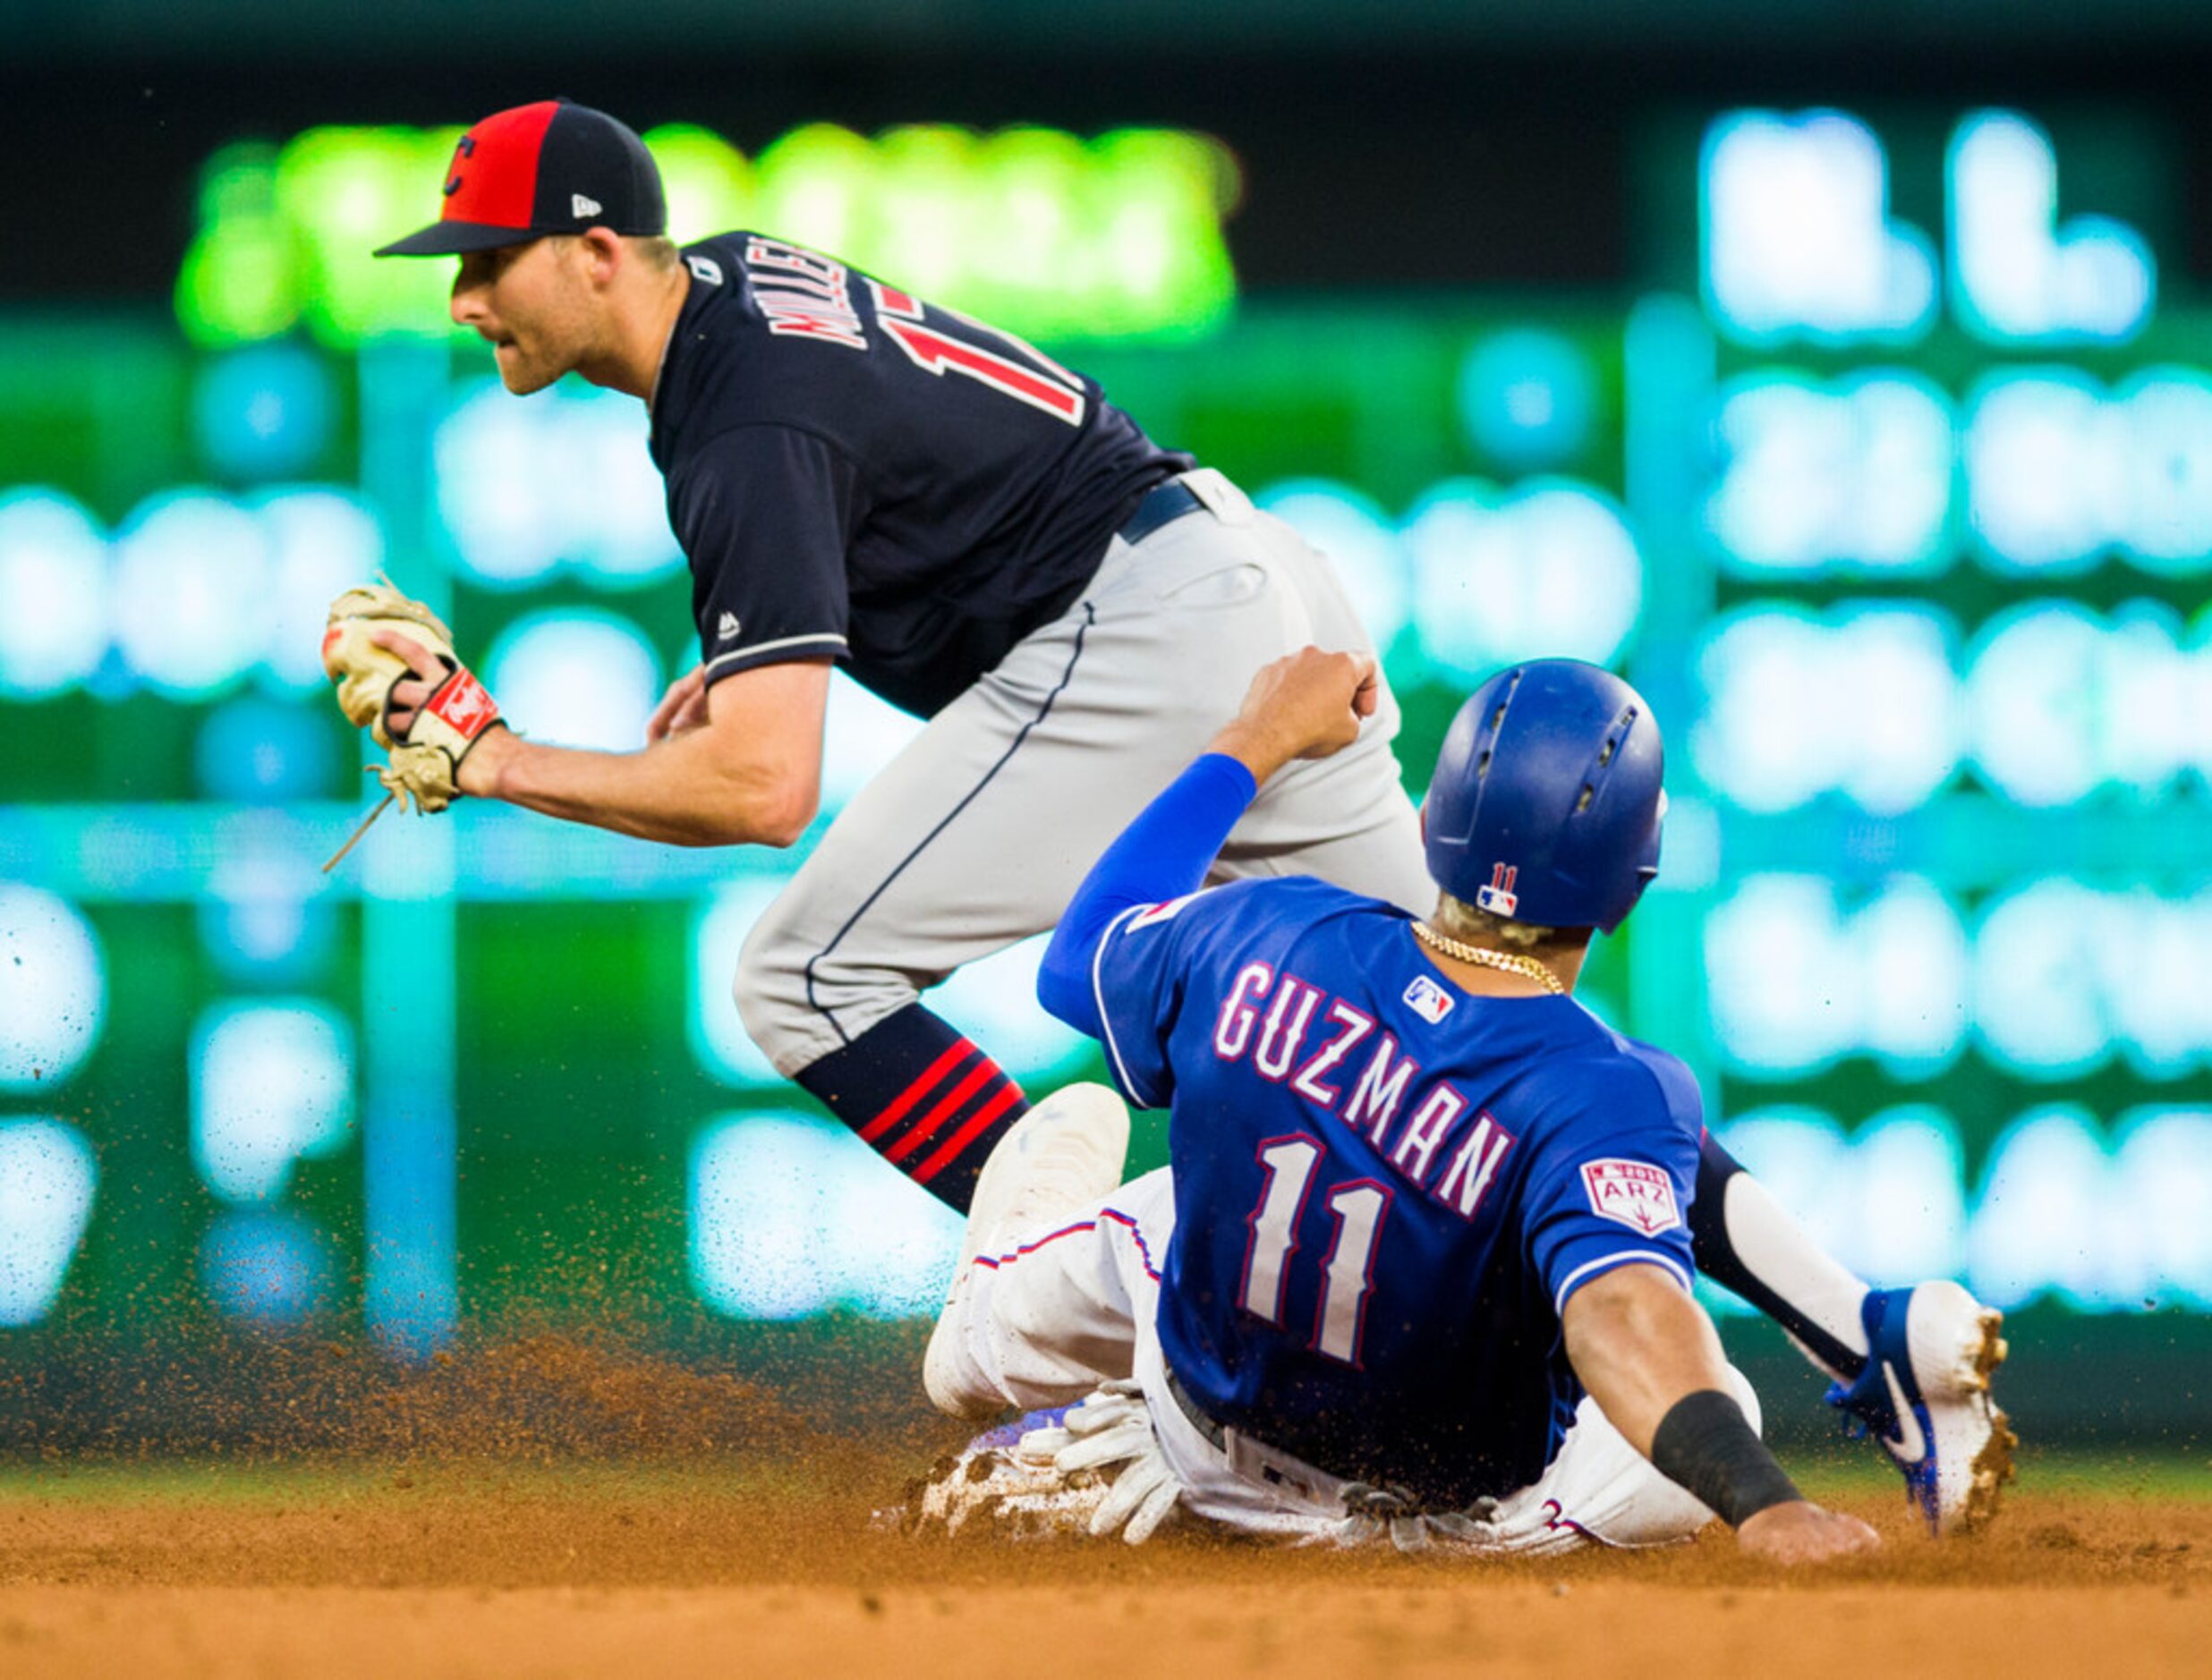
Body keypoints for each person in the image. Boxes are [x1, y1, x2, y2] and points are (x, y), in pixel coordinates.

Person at [359, 100, 2006, 1529]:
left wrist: (491, 753)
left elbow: (762, 787)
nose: (460, 292)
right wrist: (772, 637)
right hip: (1240, 577)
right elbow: (912, 482)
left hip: (1139, 640)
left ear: (591, 252)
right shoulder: (727, 281)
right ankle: (1868, 1326)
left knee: (798, 979)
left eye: (484, 256)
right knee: (1488, 1034)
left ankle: (1081, 1300)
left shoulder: (732, 410)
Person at [914, 651, 1997, 1555]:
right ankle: (1863, 1329)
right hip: (1452, 1531)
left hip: (1207, 1447)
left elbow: (1077, 964)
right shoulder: (1612, 1088)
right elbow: (1623, 1313)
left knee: (1134, 1225)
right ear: (1636, 877)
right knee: (1696, 1383)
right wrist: (1768, 1505)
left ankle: (1030, 1332)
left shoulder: (1261, 930)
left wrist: (1250, 742)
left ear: (1432, 819)